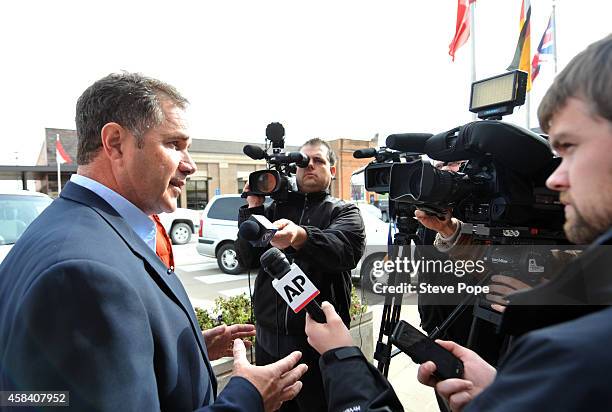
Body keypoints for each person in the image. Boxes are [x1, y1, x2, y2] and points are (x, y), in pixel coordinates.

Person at [306, 34, 612, 411]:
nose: (555, 179)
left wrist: (343, 357)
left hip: (485, 334)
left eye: (570, 148)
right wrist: (496, 390)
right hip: (456, 339)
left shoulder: (579, 348)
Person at [0, 72, 307, 411]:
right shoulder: (83, 274)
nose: (189, 166)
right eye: (174, 145)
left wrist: (181, 353)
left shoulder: (70, 226)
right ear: (115, 142)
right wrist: (249, 398)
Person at [235, 138, 366, 411]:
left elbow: (344, 251)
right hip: (268, 339)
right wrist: (253, 209)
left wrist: (299, 236)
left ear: (332, 170)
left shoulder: (344, 210)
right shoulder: (273, 210)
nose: (309, 166)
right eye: (303, 161)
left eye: (318, 161)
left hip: (317, 343)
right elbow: (247, 258)